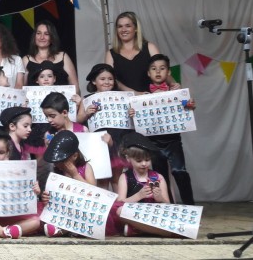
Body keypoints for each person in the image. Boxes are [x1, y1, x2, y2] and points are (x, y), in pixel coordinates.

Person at [130, 54, 195, 205]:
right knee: (161, 177)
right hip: (153, 143)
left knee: (180, 172)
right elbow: (137, 119)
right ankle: (169, 207)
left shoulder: (177, 93)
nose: (158, 72)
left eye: (162, 68)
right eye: (153, 69)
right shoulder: (143, 96)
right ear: (148, 73)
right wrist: (133, 113)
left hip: (173, 140)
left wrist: (190, 105)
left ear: (169, 72)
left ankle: (190, 207)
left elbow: (188, 108)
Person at [76, 63, 126, 191]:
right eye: (102, 79)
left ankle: (118, 206)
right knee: (101, 179)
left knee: (117, 178)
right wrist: (86, 113)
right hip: (97, 142)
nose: (107, 82)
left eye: (110, 79)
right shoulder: (86, 99)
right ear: (94, 81)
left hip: (117, 139)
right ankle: (105, 208)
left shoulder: (121, 98)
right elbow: (78, 119)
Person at [115, 132, 174, 237]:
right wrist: (138, 196)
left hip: (154, 214)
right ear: (128, 158)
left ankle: (138, 230)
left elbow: (168, 205)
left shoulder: (158, 177)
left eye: (147, 160)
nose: (144, 164)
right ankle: (165, 232)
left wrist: (160, 198)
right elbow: (120, 202)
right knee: (120, 211)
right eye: (139, 161)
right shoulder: (125, 177)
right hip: (135, 214)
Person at [105, 11, 178, 94]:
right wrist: (136, 93)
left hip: (151, 98)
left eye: (128, 26)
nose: (123, 30)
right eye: (120, 26)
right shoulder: (110, 54)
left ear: (136, 28)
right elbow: (112, 80)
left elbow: (162, 70)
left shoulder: (150, 47)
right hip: (124, 101)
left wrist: (174, 84)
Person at [41, 131, 96, 237]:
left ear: (74, 156)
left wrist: (75, 174)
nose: (57, 164)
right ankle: (63, 228)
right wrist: (46, 198)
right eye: (55, 161)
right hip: (63, 211)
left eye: (61, 161)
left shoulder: (86, 168)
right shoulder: (57, 171)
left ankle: (64, 229)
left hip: (82, 209)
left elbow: (94, 193)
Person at [22, 20, 80, 95]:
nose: (42, 37)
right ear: (34, 36)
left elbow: (75, 88)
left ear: (52, 37)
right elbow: (21, 90)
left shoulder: (63, 56)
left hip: (61, 104)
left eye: (46, 34)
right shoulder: (26, 59)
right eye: (38, 33)